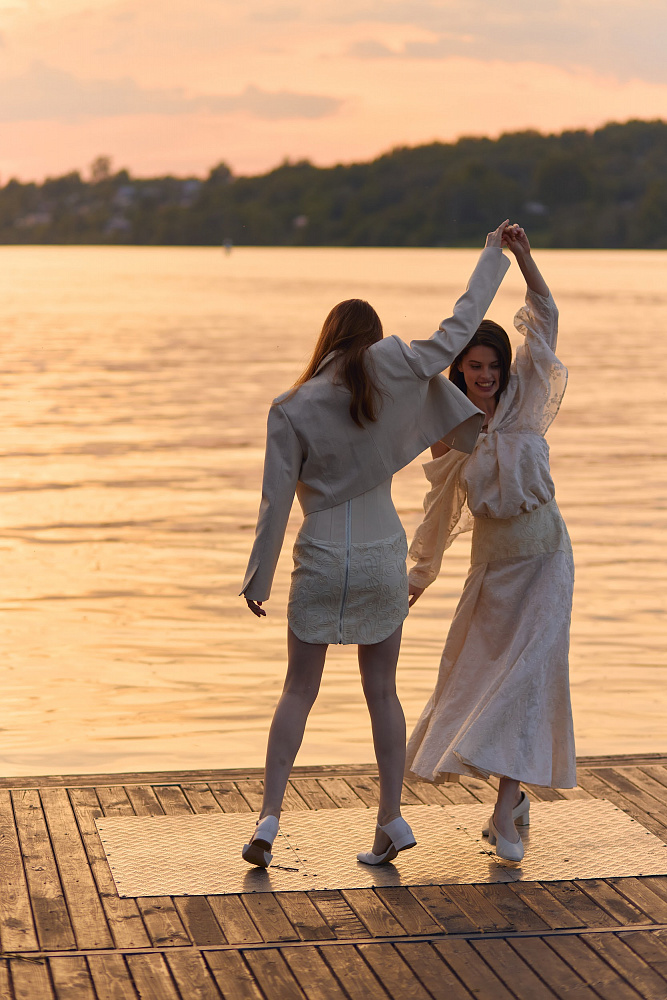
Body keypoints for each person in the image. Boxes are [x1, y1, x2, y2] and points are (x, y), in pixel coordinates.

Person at [240, 222, 511, 869]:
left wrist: (258, 579)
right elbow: (459, 326)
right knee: (382, 691)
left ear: (327, 339)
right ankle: (389, 817)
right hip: (380, 557)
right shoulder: (396, 366)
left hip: (320, 557)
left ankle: (269, 817)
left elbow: (274, 502)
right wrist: (491, 255)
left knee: (297, 690)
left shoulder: (291, 407)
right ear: (371, 337)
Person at [405, 225, 576, 862]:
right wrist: (416, 578)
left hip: (546, 558)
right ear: (459, 369)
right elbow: (438, 511)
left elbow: (546, 315)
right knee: (478, 680)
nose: (485, 376)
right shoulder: (450, 431)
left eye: (492, 367)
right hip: (492, 573)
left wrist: (521, 257)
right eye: (474, 366)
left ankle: (504, 811)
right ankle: (514, 797)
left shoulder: (526, 398)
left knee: (528, 680)